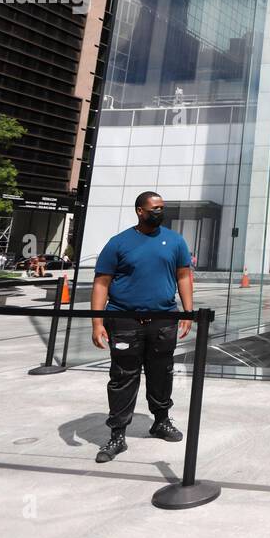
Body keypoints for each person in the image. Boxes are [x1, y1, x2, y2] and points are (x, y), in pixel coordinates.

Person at [91, 192, 194, 463]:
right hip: (123, 320)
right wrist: (97, 321)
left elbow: (184, 276)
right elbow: (102, 282)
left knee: (162, 372)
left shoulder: (175, 241)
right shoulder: (119, 243)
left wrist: (188, 311)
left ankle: (160, 421)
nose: (160, 212)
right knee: (123, 376)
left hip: (163, 320)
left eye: (162, 208)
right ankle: (117, 434)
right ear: (140, 210)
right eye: (155, 208)